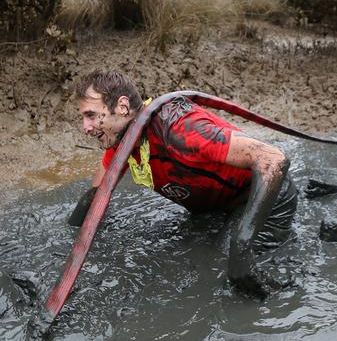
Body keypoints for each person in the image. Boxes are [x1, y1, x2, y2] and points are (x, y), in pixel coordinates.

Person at [68, 70, 298, 299]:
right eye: (83, 117)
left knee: (216, 276)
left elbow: (273, 160)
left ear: (122, 106)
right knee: (184, 262)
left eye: (91, 115)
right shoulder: (121, 143)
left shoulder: (180, 128)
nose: (85, 128)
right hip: (215, 208)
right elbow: (96, 196)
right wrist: (68, 236)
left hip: (262, 200)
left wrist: (242, 241)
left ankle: (290, 288)